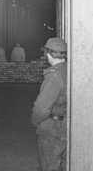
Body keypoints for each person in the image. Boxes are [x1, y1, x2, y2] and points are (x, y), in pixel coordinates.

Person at [30, 37, 67, 171]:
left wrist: (35, 122)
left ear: (48, 54)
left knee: (48, 166)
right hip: (66, 125)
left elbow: (41, 108)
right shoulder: (69, 71)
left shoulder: (54, 76)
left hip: (52, 128)